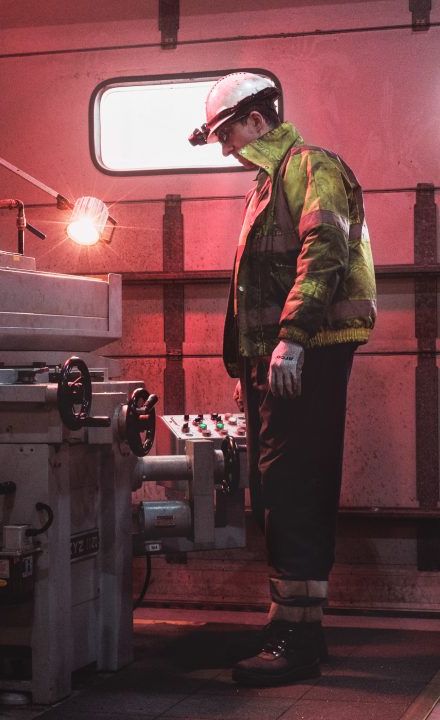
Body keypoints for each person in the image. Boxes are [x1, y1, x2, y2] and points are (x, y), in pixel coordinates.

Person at [189, 72, 376, 687]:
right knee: (278, 490)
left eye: (227, 134)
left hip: (310, 354)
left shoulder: (311, 166)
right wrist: (252, 365)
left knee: (296, 487)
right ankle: (288, 622)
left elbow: (325, 250)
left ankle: (299, 639)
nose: (225, 149)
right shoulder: (270, 181)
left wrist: (293, 340)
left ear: (257, 120)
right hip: (278, 361)